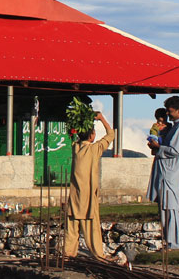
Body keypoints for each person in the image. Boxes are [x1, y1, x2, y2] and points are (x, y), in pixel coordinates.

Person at [63, 103, 115, 259]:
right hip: (88, 198)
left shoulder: (76, 148)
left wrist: (78, 123)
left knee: (71, 229)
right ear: (92, 135)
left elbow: (72, 135)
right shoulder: (94, 149)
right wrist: (102, 119)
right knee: (92, 230)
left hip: (75, 198)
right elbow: (111, 135)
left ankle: (68, 255)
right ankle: (98, 255)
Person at [149, 96, 179, 251]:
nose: (168, 114)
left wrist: (158, 147)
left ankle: (174, 244)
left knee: (171, 208)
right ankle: (170, 242)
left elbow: (175, 150)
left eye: (170, 111)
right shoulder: (175, 126)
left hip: (170, 173)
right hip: (166, 172)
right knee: (166, 208)